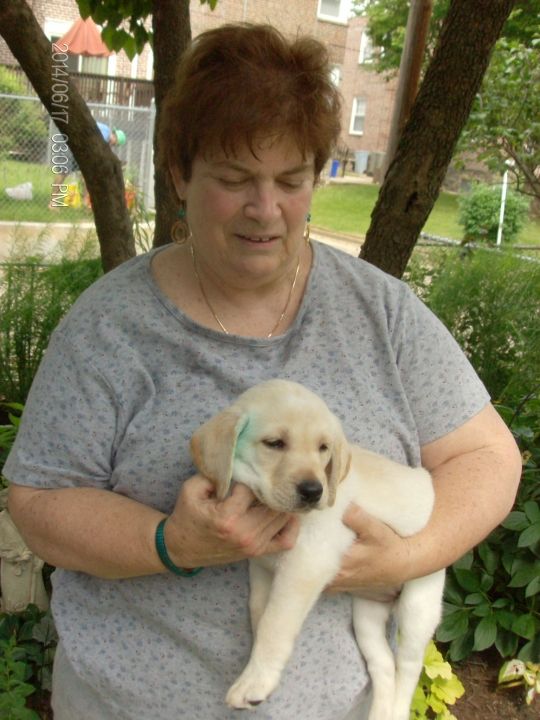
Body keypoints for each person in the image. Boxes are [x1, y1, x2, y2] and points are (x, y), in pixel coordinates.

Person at [6, 23, 521, 720]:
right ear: (181, 174)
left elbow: (486, 456)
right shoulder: (111, 326)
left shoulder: (380, 313)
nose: (265, 209)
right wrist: (169, 542)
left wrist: (411, 555)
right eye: (235, 178)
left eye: (291, 180)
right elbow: (39, 503)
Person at [49, 120, 126, 208]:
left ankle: (85, 202)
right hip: (68, 141)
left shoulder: (105, 136)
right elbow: (94, 149)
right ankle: (53, 203)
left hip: (78, 147)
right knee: (63, 172)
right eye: (115, 143)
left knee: (87, 174)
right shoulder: (105, 133)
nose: (112, 145)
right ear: (115, 137)